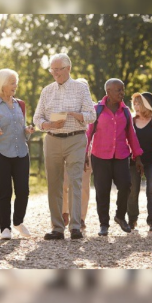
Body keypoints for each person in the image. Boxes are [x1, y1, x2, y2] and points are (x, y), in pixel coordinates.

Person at [33, 53, 96, 240]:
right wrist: (49, 125)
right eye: (52, 69)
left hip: (76, 139)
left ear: (68, 68)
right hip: (52, 138)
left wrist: (74, 114)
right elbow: (37, 118)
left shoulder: (80, 89)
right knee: (54, 183)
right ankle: (57, 228)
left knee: (75, 181)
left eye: (58, 69)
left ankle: (75, 226)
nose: (55, 73)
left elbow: (91, 116)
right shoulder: (47, 91)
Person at [85, 78, 144, 237]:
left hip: (121, 155)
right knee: (102, 190)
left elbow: (131, 135)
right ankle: (104, 224)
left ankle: (120, 215)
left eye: (123, 89)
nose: (122, 93)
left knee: (125, 185)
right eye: (118, 90)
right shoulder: (96, 110)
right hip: (100, 155)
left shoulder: (125, 111)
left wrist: (137, 157)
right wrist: (85, 154)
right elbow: (88, 133)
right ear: (108, 92)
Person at [0, 69, 35, 240]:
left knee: (23, 191)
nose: (15, 85)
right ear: (3, 84)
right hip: (1, 153)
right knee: (5, 192)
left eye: (15, 82)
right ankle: (5, 228)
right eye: (12, 82)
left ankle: (18, 221)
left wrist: (27, 130)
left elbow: (21, 127)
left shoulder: (20, 104)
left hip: (21, 152)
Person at [127, 92, 152, 232]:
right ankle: (132, 220)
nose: (135, 106)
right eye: (134, 103)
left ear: (146, 105)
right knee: (132, 191)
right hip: (133, 160)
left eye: (139, 103)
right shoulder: (130, 120)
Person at [62, 78, 94, 230]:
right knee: (65, 183)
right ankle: (64, 212)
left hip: (87, 153)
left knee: (83, 187)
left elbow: (93, 134)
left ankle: (81, 218)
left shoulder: (92, 110)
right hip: (67, 152)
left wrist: (88, 153)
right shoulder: (67, 107)